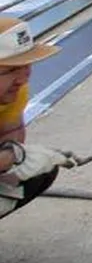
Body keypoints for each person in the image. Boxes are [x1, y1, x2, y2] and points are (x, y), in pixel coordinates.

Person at [0, 17, 79, 219]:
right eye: (10, 70)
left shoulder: (15, 91)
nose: (23, 78)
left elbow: (11, 138)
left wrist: (16, 156)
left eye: (26, 66)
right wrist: (10, 158)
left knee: (38, 173)